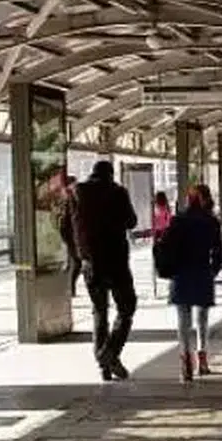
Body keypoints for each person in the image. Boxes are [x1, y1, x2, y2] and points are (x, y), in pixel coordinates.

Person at [69, 160, 138, 382]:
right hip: (116, 261)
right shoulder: (118, 192)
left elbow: (66, 225)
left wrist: (80, 253)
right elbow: (132, 221)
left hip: (90, 264)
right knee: (126, 308)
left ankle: (104, 364)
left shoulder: (77, 192)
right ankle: (108, 354)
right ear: (110, 174)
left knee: (100, 311)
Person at [164, 184, 222, 381]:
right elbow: (218, 254)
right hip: (201, 271)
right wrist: (212, 271)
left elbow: (167, 248)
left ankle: (185, 359)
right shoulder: (211, 222)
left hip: (181, 274)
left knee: (183, 319)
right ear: (206, 200)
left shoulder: (178, 220)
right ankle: (202, 357)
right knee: (202, 318)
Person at [58, 174, 80, 296]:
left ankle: (69, 287)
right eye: (74, 184)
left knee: (74, 262)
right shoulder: (68, 199)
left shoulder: (68, 198)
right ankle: (69, 287)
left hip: (70, 235)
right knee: (76, 262)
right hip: (70, 235)